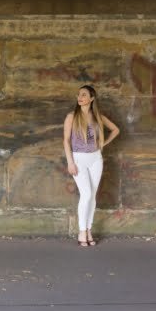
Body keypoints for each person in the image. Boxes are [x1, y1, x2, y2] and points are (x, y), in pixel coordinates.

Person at [63, 85, 119, 247]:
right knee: (86, 194)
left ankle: (88, 229)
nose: (79, 97)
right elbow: (66, 140)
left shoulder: (97, 117)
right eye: (78, 94)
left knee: (92, 196)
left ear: (92, 98)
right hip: (79, 159)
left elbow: (116, 130)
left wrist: (103, 144)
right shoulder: (71, 116)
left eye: (84, 94)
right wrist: (70, 162)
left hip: (96, 158)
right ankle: (81, 231)